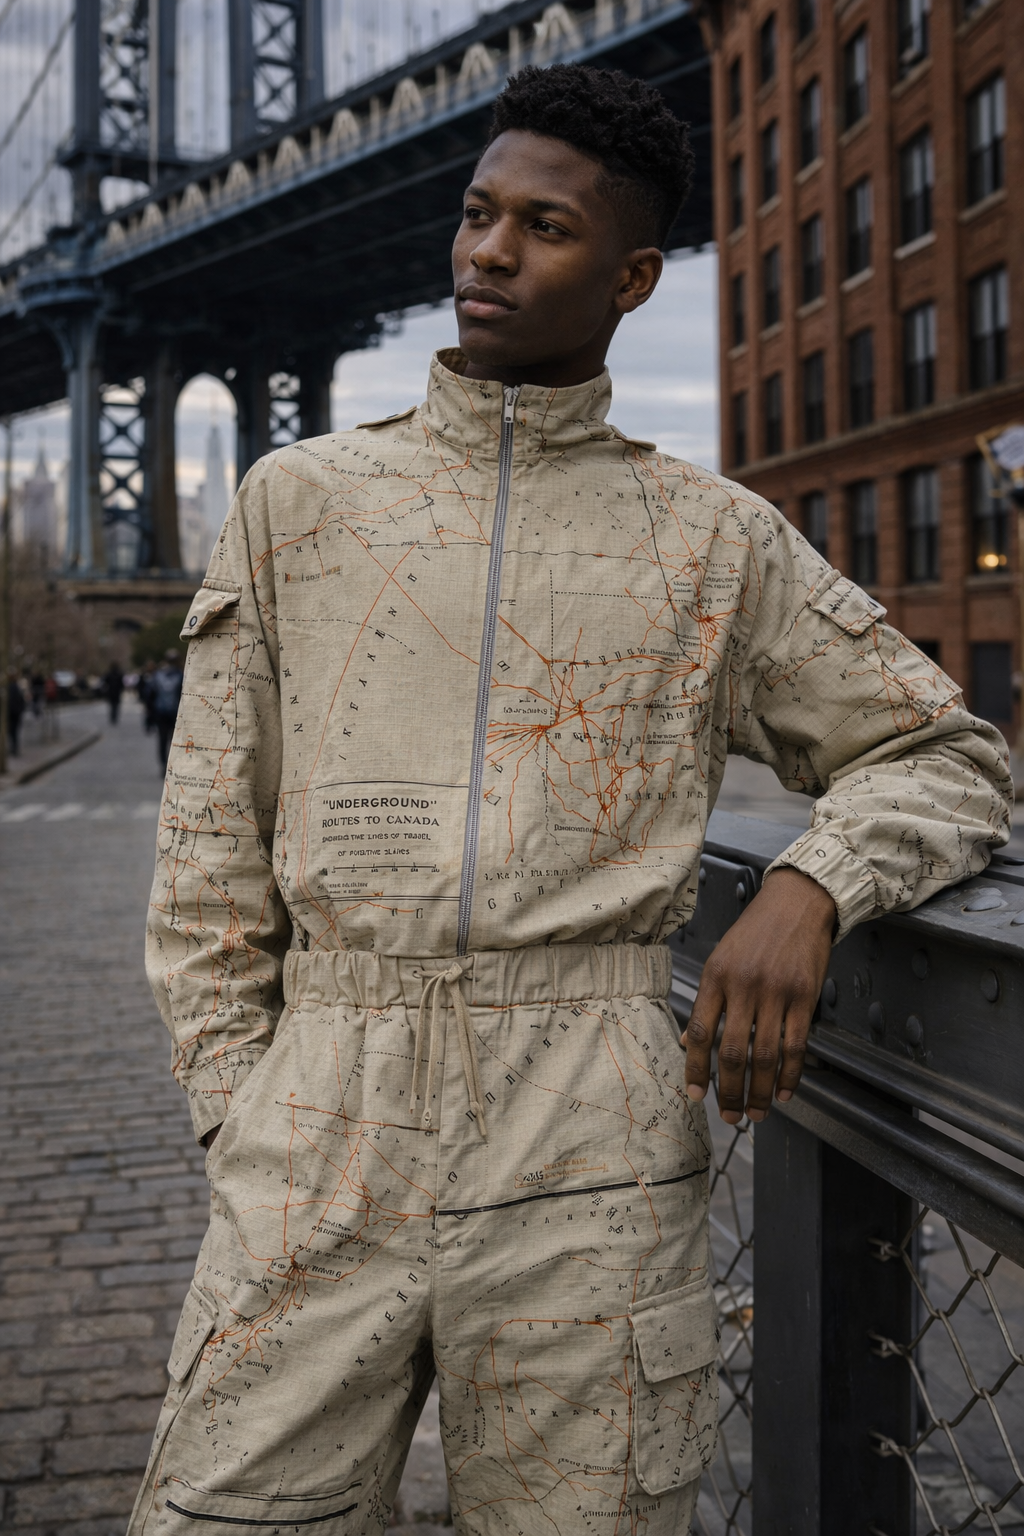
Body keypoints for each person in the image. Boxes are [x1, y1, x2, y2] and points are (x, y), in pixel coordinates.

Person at [131, 64, 1011, 1536]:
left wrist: (812, 886)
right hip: (316, 1143)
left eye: (542, 228)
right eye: (478, 216)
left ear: (632, 276)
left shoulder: (714, 541)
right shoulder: (300, 503)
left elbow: (947, 752)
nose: (487, 253)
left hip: (591, 1156)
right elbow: (208, 859)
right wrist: (250, 1117)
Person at [150, 649, 182, 768]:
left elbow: (151, 694)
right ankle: (172, 763)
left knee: (162, 738)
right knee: (174, 739)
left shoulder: (158, 675)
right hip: (175, 712)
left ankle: (163, 762)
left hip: (161, 711)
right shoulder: (180, 675)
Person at [6, 673, 25, 758]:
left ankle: (13, 748)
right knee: (14, 731)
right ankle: (14, 748)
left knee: (12, 731)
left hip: (12, 713)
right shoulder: (17, 687)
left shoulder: (10, 688)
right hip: (16, 713)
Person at [103, 660, 125, 725]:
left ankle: (113, 717)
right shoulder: (119, 674)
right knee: (116, 706)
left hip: (111, 692)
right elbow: (121, 684)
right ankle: (114, 717)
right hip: (117, 692)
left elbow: (105, 682)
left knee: (112, 706)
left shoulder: (109, 674)